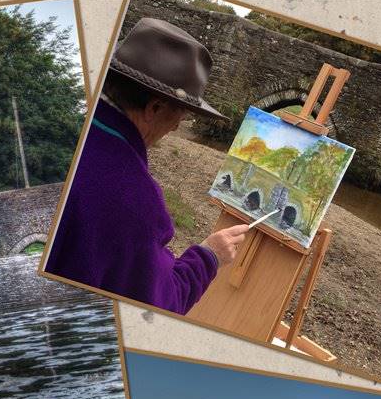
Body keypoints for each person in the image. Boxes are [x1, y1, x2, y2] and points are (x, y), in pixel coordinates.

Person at [44, 18, 249, 316]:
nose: (177, 127)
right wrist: (209, 257)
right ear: (154, 108)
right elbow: (156, 306)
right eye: (180, 117)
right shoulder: (133, 197)